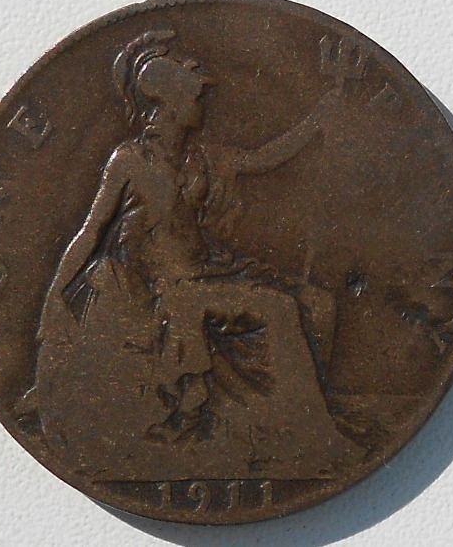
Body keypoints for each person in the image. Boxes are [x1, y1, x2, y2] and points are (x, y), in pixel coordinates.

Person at [23, 30, 362, 481]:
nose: (202, 104)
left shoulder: (201, 159)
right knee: (279, 309)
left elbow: (266, 158)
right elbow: (91, 231)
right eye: (194, 95)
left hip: (212, 273)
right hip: (163, 290)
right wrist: (56, 295)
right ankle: (305, 436)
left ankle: (277, 419)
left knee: (317, 304)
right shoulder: (130, 161)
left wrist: (324, 112)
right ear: (168, 102)